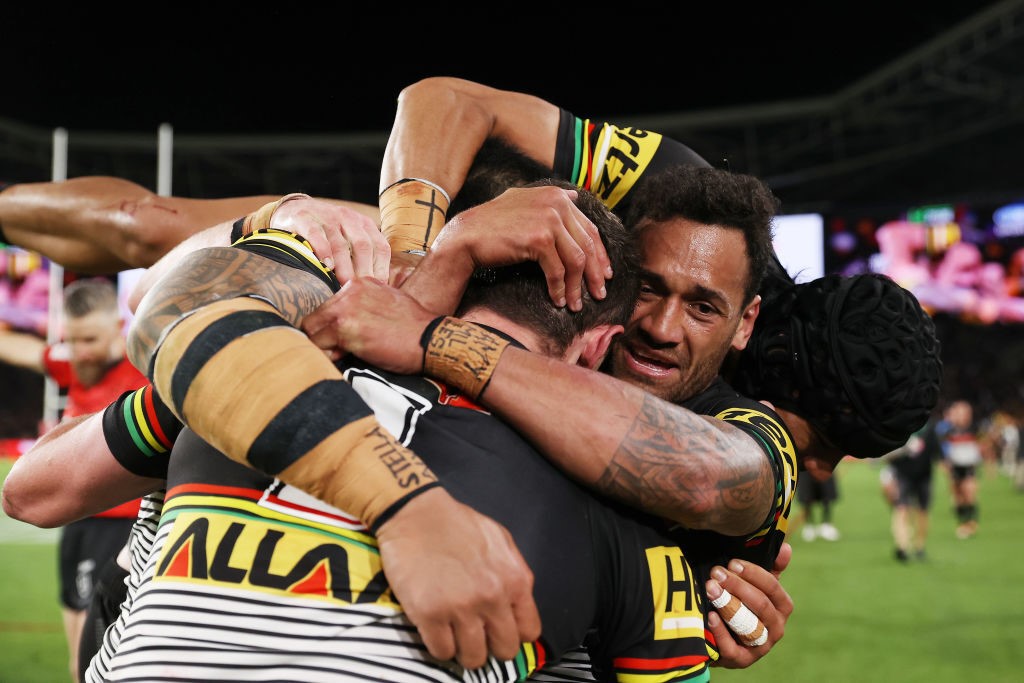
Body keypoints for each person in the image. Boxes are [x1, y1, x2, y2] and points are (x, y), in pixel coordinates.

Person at [98, 181, 736, 681]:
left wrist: (279, 219)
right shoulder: (621, 521)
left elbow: (38, 486)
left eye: (701, 305)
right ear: (601, 345)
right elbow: (724, 481)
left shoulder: (251, 366)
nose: (665, 328)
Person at [0, 276, 147, 683]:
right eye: (73, 340)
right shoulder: (75, 363)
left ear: (118, 329)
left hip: (121, 526)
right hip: (77, 519)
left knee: (97, 662)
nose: (79, 352)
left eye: (90, 340)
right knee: (76, 663)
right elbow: (28, 350)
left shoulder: (146, 370)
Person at [881, 419, 943, 561]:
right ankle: (902, 547)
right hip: (902, 475)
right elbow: (886, 454)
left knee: (922, 512)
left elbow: (937, 453)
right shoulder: (901, 426)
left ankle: (919, 547)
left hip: (924, 476)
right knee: (901, 509)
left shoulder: (929, 428)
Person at [937, 399, 983, 539]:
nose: (961, 415)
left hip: (969, 466)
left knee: (969, 493)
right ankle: (962, 523)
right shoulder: (949, 430)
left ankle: (972, 522)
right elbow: (942, 447)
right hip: (955, 466)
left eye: (964, 412)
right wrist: (944, 462)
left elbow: (984, 444)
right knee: (958, 496)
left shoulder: (975, 428)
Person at [793, 472, 841, 542]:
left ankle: (826, 525)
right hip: (805, 468)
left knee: (827, 495)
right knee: (806, 497)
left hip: (824, 467)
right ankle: (809, 526)